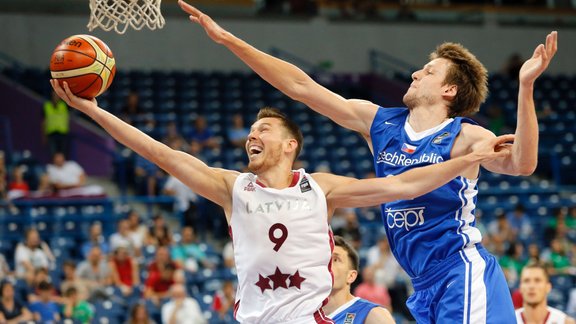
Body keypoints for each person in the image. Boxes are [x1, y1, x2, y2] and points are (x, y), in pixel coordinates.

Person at [178, 3, 558, 321]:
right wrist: (229, 40)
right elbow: (300, 87)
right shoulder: (379, 123)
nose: (415, 72)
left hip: (460, 269)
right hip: (421, 283)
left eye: (428, 71)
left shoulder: (466, 136)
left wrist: (525, 87)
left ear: (448, 89)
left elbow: (522, 164)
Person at [51, 78, 512, 323]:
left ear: (290, 145)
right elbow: (159, 153)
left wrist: (467, 158)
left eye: (264, 129)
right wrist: (94, 111)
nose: (253, 133)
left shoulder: (321, 188)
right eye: (251, 130)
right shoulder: (232, 188)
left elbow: (406, 186)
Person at [323, 235, 394, 324]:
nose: (327, 264)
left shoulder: (373, 315)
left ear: (351, 276)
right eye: (324, 260)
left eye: (336, 259)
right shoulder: (304, 313)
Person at [43, 90, 70, 156]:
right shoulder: (47, 106)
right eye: (54, 95)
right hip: (51, 133)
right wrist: (44, 135)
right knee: (53, 154)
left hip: (63, 133)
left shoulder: (64, 105)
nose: (56, 96)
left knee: (63, 154)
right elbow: (44, 122)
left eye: (57, 95)